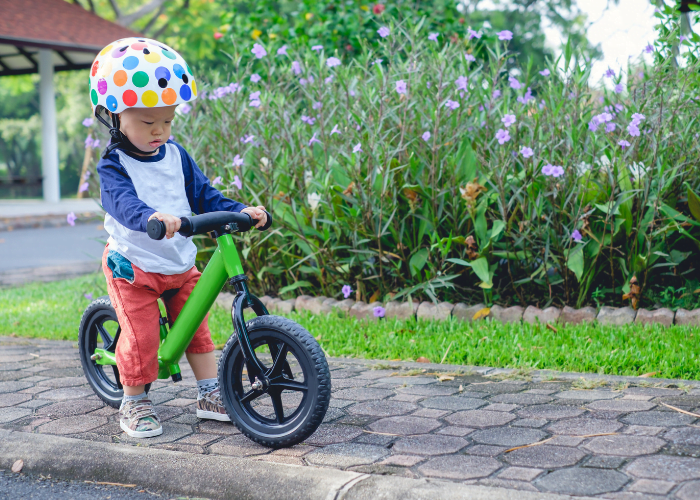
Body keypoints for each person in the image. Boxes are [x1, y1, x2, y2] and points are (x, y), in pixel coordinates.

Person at [89, 37, 267, 438]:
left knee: (197, 326)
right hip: (133, 264)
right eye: (148, 122)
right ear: (115, 117)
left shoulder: (176, 155)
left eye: (167, 121)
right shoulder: (113, 165)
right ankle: (133, 401)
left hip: (178, 260)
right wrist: (150, 217)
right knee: (142, 335)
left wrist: (239, 209)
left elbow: (205, 194)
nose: (159, 131)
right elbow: (123, 204)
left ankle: (208, 393)